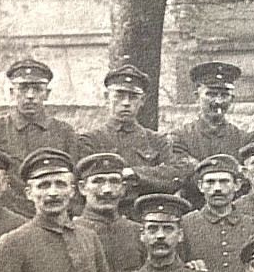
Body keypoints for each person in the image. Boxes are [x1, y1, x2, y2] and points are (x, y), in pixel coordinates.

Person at [0, 57, 77, 217]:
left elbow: (73, 180)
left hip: (53, 216)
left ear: (47, 94)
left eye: (37, 89)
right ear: (12, 92)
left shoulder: (64, 132)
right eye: (23, 88)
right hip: (5, 218)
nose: (30, 95)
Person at [76, 65, 181, 196]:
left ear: (142, 100)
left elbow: (175, 176)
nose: (126, 102)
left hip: (145, 212)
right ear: (106, 97)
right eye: (119, 95)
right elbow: (83, 182)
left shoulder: (156, 141)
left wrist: (134, 173)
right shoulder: (89, 140)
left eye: (133, 97)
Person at [180, 153, 254, 272]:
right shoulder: (185, 224)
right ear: (200, 186)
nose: (217, 188)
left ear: (237, 185)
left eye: (224, 181)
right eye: (210, 182)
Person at [73, 152, 145, 272]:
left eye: (114, 181)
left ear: (123, 189)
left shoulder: (139, 232)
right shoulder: (71, 232)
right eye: (98, 181)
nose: (107, 190)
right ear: (82, 188)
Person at [168, 61, 248, 173]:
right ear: (197, 97)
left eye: (224, 95)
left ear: (232, 99)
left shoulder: (242, 139)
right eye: (211, 94)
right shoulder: (180, 137)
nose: (218, 101)